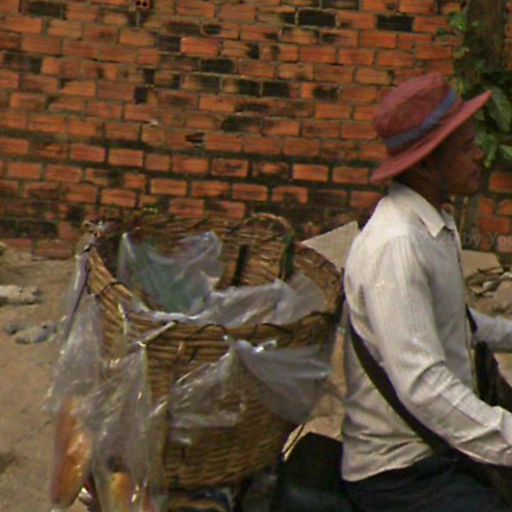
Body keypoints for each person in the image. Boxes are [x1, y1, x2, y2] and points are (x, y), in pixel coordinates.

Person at [342, 73, 512, 512]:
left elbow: (458, 323)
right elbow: (423, 385)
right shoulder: (398, 244)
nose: (480, 155)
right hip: (401, 469)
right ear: (425, 166)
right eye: (466, 147)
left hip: (438, 447)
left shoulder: (432, 225)